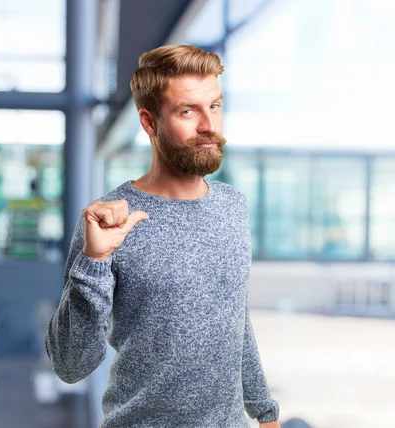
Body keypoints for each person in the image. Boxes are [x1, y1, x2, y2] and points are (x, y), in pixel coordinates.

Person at [45, 45, 280, 428]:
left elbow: (236, 317)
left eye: (215, 107)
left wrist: (265, 414)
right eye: (188, 111)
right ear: (149, 123)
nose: (209, 126)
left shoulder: (232, 206)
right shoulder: (107, 222)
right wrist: (95, 262)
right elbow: (70, 366)